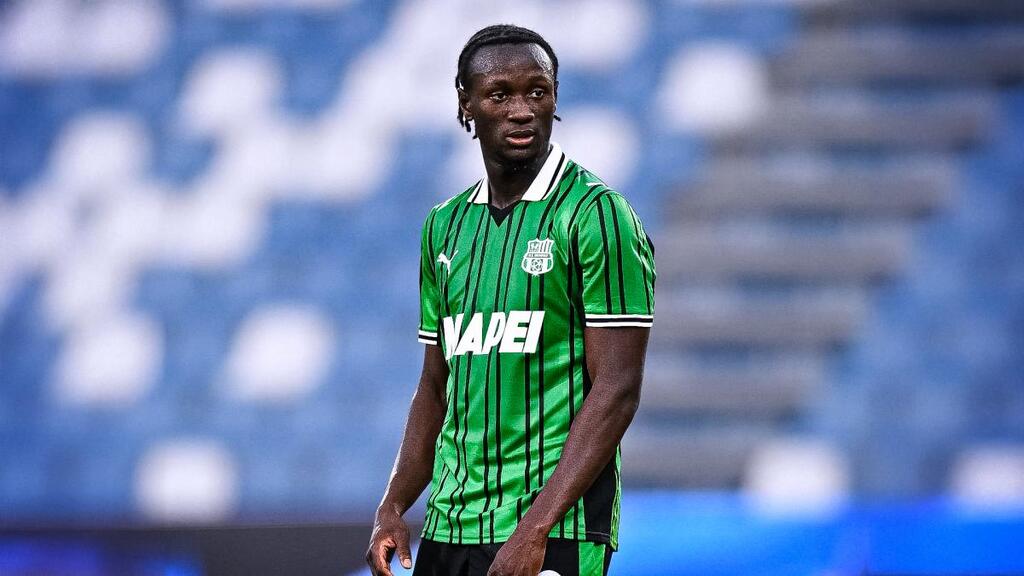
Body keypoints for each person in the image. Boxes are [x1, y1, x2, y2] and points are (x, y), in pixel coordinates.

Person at [366, 24, 655, 576]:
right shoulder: (444, 226)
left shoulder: (596, 215)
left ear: (555, 99)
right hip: (450, 524)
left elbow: (618, 388)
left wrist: (534, 530)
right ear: (466, 105)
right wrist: (394, 504)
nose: (522, 110)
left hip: (553, 530)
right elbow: (435, 384)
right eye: (500, 95)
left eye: (537, 91)